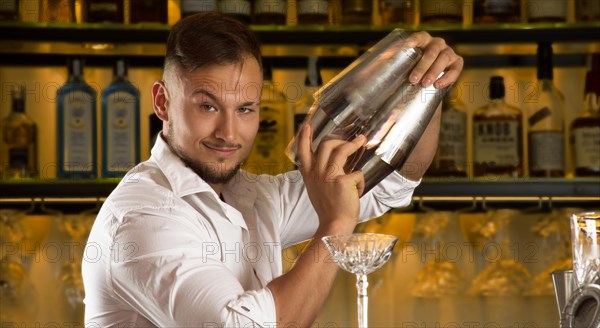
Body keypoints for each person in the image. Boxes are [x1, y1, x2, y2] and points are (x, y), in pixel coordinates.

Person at [82, 12, 463, 327]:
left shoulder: (251, 196)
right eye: (208, 106)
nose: (228, 133)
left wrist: (428, 86)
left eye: (245, 109)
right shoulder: (142, 216)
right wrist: (335, 226)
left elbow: (391, 183)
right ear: (163, 102)